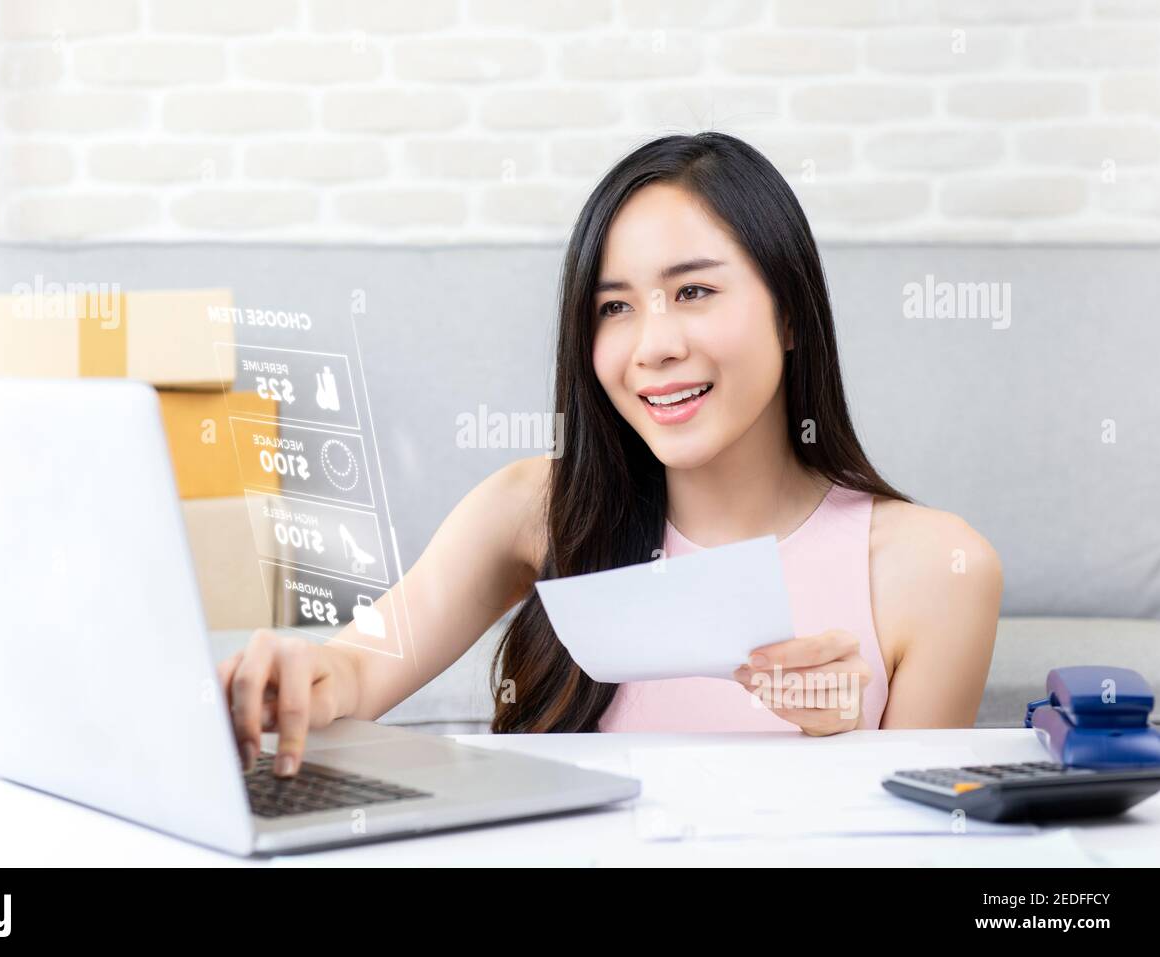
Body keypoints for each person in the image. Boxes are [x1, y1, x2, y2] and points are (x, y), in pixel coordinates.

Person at [219, 132, 1002, 778]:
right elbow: (358, 668)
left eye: (694, 292)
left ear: (790, 315)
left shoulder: (938, 569)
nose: (654, 346)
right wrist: (297, 679)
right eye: (615, 307)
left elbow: (922, 844)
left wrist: (844, 748)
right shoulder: (535, 510)